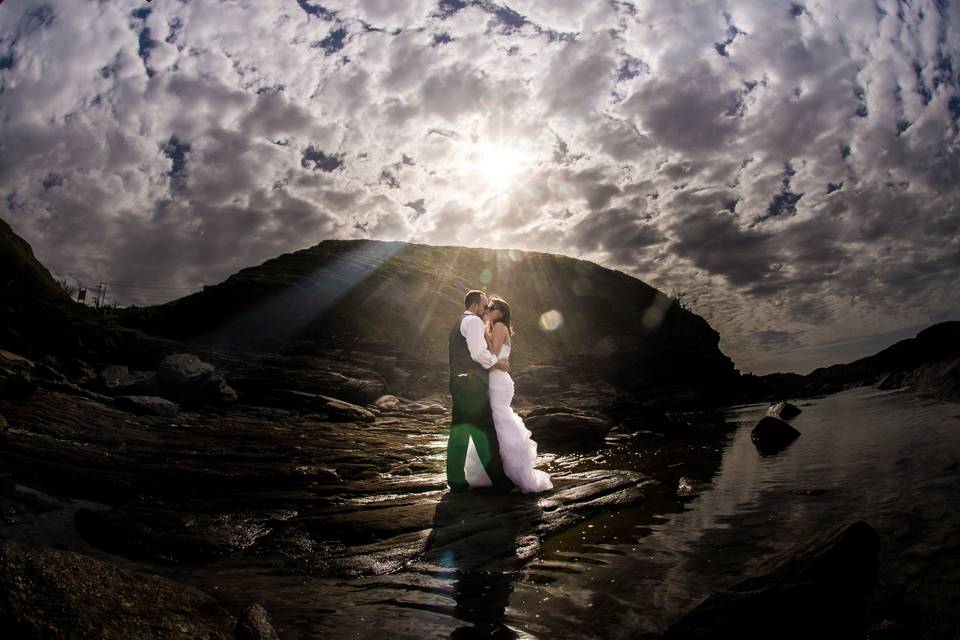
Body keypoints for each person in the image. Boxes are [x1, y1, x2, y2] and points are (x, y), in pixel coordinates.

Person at [447, 290, 514, 492]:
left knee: (460, 431)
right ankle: (500, 482)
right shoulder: (474, 321)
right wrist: (498, 363)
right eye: (485, 306)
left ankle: (456, 481)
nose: (486, 311)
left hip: (458, 381)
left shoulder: (457, 324)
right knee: (485, 431)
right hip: (473, 383)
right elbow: (478, 353)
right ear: (475, 306)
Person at [483, 296, 553, 493]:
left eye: (491, 307)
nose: (487, 309)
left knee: (499, 421)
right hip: (497, 377)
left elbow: (492, 354)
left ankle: (510, 474)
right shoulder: (494, 327)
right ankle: (500, 473)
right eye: (486, 306)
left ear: (502, 312)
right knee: (496, 421)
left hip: (497, 380)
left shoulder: (498, 327)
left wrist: (480, 333)